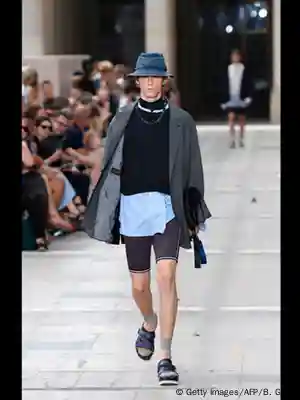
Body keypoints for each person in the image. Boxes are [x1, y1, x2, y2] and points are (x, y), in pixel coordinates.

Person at [83, 52, 211, 386]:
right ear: (137, 81)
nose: (151, 82)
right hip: (133, 208)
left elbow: (193, 169)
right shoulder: (122, 119)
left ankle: (166, 357)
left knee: (166, 276)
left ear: (164, 81)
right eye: (146, 77)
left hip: (168, 208)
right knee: (140, 286)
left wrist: (194, 213)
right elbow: (109, 163)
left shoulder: (182, 121)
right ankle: (149, 323)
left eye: (157, 77)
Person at [220, 49, 253, 148]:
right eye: (234, 56)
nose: (235, 58)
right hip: (231, 97)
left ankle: (241, 138)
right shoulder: (228, 69)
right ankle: (232, 139)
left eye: (237, 56)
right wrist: (223, 100)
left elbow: (249, 84)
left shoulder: (244, 69)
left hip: (241, 97)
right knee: (231, 118)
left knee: (242, 119)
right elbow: (223, 84)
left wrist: (249, 97)